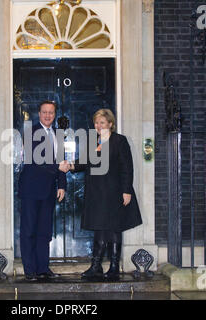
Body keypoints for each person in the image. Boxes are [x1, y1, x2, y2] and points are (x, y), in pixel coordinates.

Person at [69, 108, 142, 281]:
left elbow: (127, 167)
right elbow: (85, 161)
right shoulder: (93, 140)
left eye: (102, 122)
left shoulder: (119, 141)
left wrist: (126, 190)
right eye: (96, 122)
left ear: (110, 123)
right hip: (97, 192)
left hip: (115, 191)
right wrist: (70, 165)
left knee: (114, 227)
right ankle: (96, 267)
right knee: (99, 227)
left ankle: (114, 267)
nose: (98, 125)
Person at [18, 100, 69, 281]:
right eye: (44, 112)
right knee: (29, 230)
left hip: (48, 191)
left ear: (54, 115)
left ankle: (43, 268)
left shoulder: (58, 134)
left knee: (44, 232)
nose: (48, 115)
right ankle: (30, 270)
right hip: (31, 190)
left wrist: (62, 185)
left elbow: (61, 161)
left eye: (51, 113)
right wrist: (58, 169)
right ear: (39, 114)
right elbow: (37, 161)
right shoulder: (30, 133)